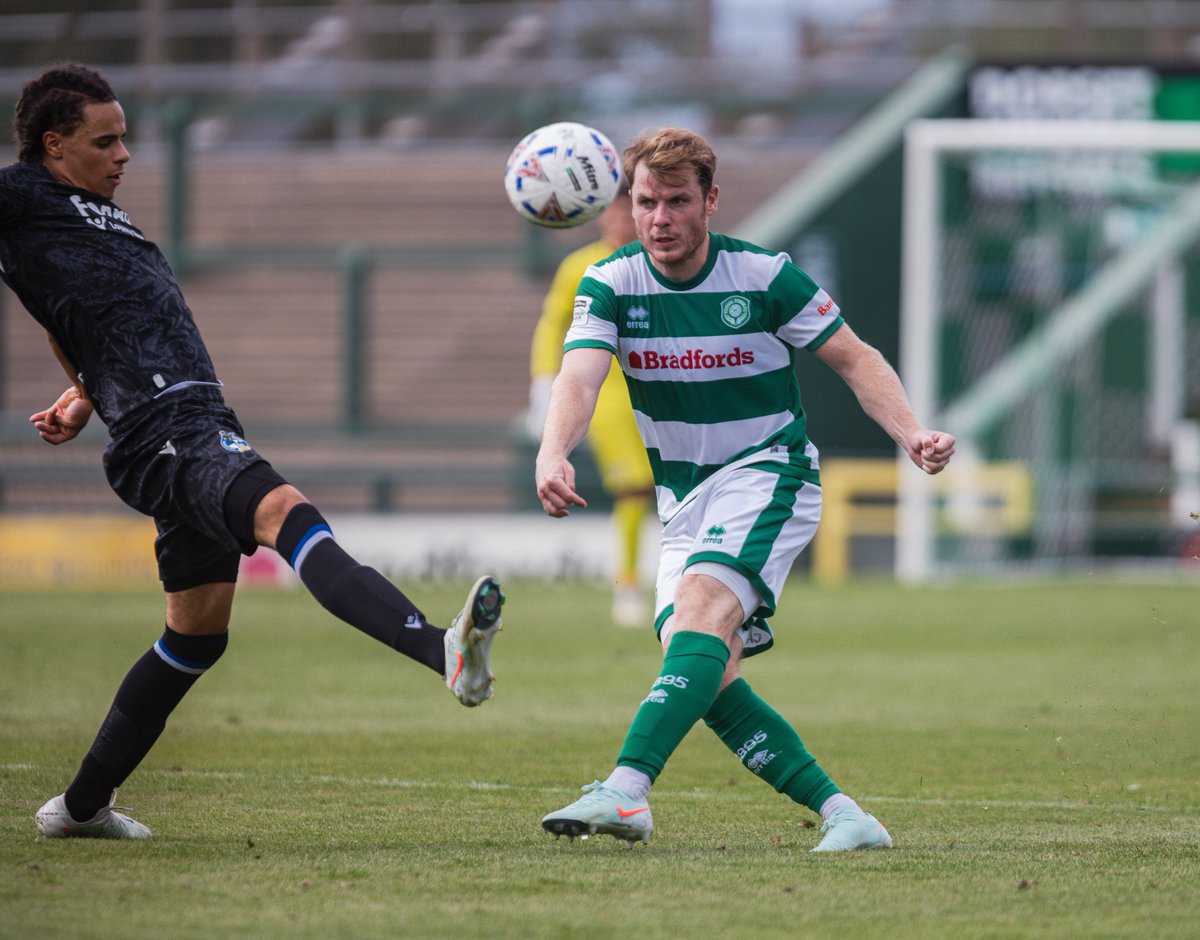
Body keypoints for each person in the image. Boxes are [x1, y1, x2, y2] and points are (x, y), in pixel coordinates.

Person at [2, 63, 505, 841]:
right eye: (106, 141)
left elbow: (71, 313)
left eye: (126, 138)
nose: (125, 154)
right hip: (169, 432)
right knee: (284, 510)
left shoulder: (94, 217)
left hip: (182, 417)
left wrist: (82, 395)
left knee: (197, 636)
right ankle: (440, 649)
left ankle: (79, 808)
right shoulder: (22, 197)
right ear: (52, 143)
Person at [534, 127, 954, 851]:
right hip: (684, 504)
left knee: (698, 617)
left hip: (769, 474)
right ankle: (845, 815)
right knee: (707, 670)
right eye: (645, 203)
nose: (659, 218)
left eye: (676, 202)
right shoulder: (610, 281)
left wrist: (910, 430)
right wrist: (553, 450)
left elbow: (855, 359)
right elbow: (579, 375)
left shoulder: (765, 276)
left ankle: (626, 790)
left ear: (711, 202)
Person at [527, 188, 655, 627]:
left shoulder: (658, 262)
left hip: (664, 391)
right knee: (636, 488)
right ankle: (630, 585)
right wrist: (544, 381)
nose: (623, 218)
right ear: (601, 216)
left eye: (630, 208)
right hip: (608, 398)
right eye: (616, 209)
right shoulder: (579, 267)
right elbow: (552, 324)